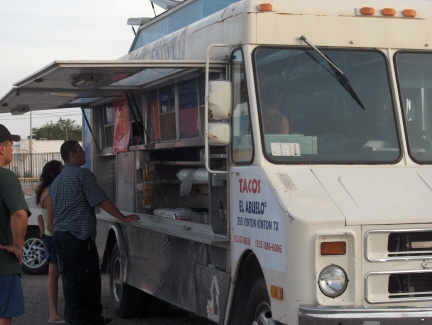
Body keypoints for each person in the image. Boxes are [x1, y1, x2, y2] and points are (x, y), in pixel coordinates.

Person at [50, 141, 140, 325]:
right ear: (72, 155)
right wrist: (122, 218)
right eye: (81, 150)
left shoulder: (58, 180)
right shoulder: (83, 175)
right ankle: (92, 319)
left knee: (70, 280)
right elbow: (101, 200)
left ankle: (74, 319)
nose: (84, 152)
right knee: (88, 279)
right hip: (77, 237)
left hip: (60, 236)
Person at [0, 124, 30, 325]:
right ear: (1, 148)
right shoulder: (6, 177)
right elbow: (19, 214)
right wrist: (18, 247)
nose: (12, 148)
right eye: (11, 144)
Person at [35, 160, 65, 324]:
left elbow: (41, 217)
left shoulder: (43, 192)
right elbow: (51, 224)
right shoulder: (51, 194)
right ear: (54, 174)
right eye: (61, 171)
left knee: (52, 275)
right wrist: (62, 243)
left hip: (48, 238)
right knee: (59, 275)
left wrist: (43, 231)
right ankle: (54, 314)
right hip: (54, 238)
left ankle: (53, 313)